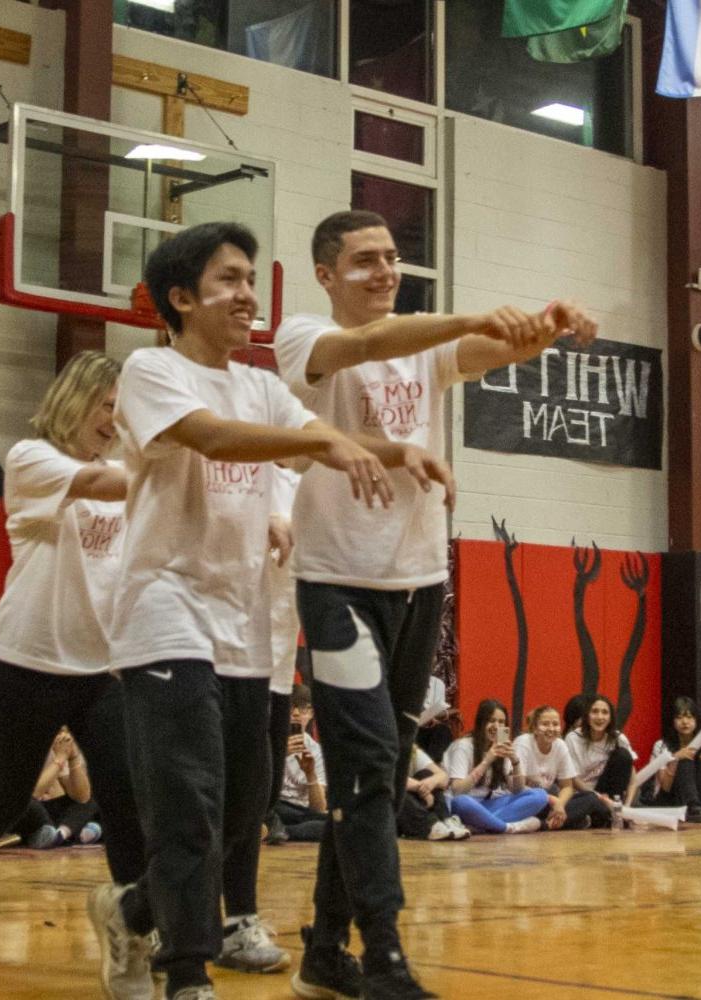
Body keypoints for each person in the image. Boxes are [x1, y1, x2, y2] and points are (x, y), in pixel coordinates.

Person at [107, 221, 436, 1000]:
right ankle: (186, 973)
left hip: (245, 623)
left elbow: (317, 430)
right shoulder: (151, 369)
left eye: (250, 278)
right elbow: (212, 438)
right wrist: (327, 446)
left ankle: (132, 908)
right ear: (180, 298)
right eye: (228, 280)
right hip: (165, 608)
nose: (247, 295)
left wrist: (398, 452)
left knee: (235, 811)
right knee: (188, 796)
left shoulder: (260, 384)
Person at [275, 208, 595, 1000]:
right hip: (338, 585)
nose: (384, 271)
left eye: (392, 257)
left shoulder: (426, 350)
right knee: (364, 769)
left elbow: (491, 347)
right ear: (325, 273)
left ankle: (323, 952)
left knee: (373, 779)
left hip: (420, 586)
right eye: (364, 262)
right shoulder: (304, 337)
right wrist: (477, 313)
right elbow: (373, 344)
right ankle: (383, 953)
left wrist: (549, 325)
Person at [0, 352, 152, 994]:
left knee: (123, 798)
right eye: (107, 405)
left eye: (122, 409)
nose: (115, 419)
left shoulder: (118, 472)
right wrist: (180, 462)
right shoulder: (32, 459)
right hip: (27, 662)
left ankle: (133, 929)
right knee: (8, 798)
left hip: (97, 669)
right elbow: (106, 489)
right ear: (76, 399)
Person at [263, 465, 303, 846]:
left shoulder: (301, 487)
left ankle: (266, 813)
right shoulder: (231, 474)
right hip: (228, 651)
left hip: (278, 657)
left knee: (270, 771)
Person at [442, 699, 548, 834]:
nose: (496, 726)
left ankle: (482, 826)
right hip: (468, 805)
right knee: (462, 802)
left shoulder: (501, 747)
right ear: (481, 723)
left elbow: (518, 789)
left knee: (540, 795)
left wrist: (515, 761)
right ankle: (507, 827)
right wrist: (487, 761)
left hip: (491, 805)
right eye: (491, 721)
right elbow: (457, 791)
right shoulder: (463, 746)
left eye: (501, 722)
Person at [513, 705, 607, 831]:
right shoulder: (523, 743)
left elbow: (567, 786)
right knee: (542, 799)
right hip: (525, 801)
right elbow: (518, 788)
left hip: (549, 804)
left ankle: (548, 823)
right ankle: (560, 822)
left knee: (590, 798)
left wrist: (560, 804)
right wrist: (554, 802)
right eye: (545, 724)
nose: (551, 729)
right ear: (535, 728)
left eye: (555, 724)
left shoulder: (560, 745)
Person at [645, 697, 701, 823]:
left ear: (696, 720)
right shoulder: (661, 745)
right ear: (673, 721)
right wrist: (675, 759)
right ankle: (692, 805)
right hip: (670, 798)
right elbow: (664, 786)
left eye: (690, 717)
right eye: (680, 717)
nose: (685, 722)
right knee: (685, 760)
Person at [272, 685, 330, 843]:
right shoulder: (268, 740)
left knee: (332, 824)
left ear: (311, 713)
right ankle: (274, 828)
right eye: (291, 706)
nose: (296, 713)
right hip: (273, 806)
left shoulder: (316, 751)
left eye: (303, 708)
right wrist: (279, 755)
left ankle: (278, 831)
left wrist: (310, 774)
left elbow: (318, 808)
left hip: (301, 813)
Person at [565, 694, 637, 805]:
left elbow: (632, 777)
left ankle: (614, 813)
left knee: (623, 755)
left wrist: (627, 806)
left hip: (609, 795)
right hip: (584, 794)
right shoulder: (573, 738)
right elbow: (573, 779)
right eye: (594, 711)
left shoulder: (618, 738)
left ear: (610, 717)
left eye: (605, 712)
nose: (600, 717)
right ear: (587, 715)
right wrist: (597, 797)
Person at [397, 744, 466, 840]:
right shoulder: (380, 748)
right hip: (392, 810)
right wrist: (420, 788)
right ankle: (430, 826)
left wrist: (429, 784)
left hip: (422, 803)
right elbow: (389, 779)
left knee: (426, 774)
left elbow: (444, 777)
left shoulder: (412, 751)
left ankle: (446, 820)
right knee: (399, 791)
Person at [414, 674, 455, 763]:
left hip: (429, 728)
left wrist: (435, 717)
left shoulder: (438, 684)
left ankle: (433, 767)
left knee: (443, 731)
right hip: (411, 728)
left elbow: (439, 709)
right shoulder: (404, 681)